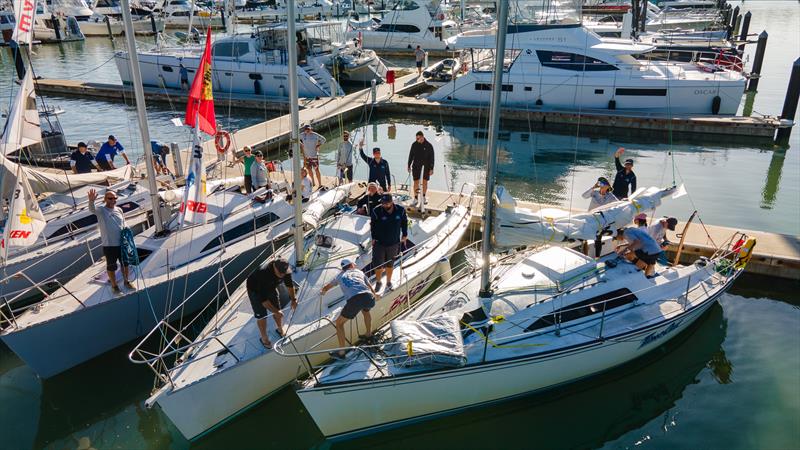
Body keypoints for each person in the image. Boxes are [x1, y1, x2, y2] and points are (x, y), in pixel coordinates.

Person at [320, 258, 379, 359]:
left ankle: (342, 353)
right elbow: (368, 285)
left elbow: (327, 287)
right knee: (365, 310)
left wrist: (323, 291)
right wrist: (375, 295)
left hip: (354, 300)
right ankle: (369, 334)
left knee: (339, 324)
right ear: (351, 265)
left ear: (343, 268)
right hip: (369, 297)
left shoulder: (339, 276)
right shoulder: (359, 272)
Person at [88, 188, 133, 293]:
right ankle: (114, 285)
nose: (113, 200)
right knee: (111, 266)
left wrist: (126, 229)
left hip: (122, 243)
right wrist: (91, 201)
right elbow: (92, 209)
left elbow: (123, 222)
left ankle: (126, 281)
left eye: (115, 198)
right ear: (105, 199)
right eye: (110, 198)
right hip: (109, 245)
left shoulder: (119, 210)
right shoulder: (101, 210)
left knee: (125, 264)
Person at [246, 258, 297, 348]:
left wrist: (293, 300)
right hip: (255, 289)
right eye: (280, 272)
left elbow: (289, 285)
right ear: (274, 267)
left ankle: (280, 329)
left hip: (271, 286)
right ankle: (264, 338)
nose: (282, 275)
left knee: (277, 307)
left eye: (283, 272)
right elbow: (264, 301)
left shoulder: (285, 272)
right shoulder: (263, 274)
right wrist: (276, 312)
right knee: (262, 315)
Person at [370, 194, 407, 291]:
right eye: (383, 203)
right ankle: (378, 282)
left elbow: (404, 222)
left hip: (394, 242)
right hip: (379, 243)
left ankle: (388, 281)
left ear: (392, 202)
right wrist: (373, 237)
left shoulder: (401, 210)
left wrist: (405, 234)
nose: (384, 205)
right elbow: (373, 225)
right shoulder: (376, 211)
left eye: (387, 203)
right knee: (378, 264)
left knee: (390, 264)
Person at [407, 130, 435, 207]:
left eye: (418, 138)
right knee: (416, 182)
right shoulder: (414, 144)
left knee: (424, 182)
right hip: (416, 167)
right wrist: (408, 165)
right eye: (416, 138)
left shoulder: (429, 145)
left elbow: (432, 158)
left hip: (426, 167)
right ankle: (415, 198)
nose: (417, 140)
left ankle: (423, 197)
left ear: (422, 137)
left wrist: (431, 168)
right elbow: (411, 156)